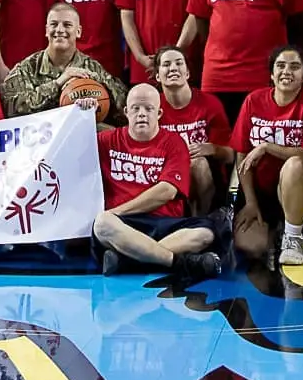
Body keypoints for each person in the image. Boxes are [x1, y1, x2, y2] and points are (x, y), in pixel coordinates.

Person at [92, 84, 225, 280]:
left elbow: (167, 192)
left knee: (206, 232)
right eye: (136, 108)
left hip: (164, 223)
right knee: (102, 223)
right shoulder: (105, 140)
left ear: (159, 113)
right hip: (123, 226)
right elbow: (70, 146)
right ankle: (178, 262)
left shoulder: (174, 142)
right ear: (126, 112)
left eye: (149, 108)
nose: (142, 114)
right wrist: (82, 112)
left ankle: (127, 261)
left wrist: (117, 211)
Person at [231, 47, 303, 264]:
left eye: (295, 67)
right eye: (280, 66)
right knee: (251, 249)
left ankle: (292, 235)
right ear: (272, 74)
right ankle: (275, 229)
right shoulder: (253, 100)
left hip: (299, 187)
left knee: (295, 165)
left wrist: (267, 146)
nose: (287, 71)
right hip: (259, 191)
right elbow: (242, 154)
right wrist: (251, 202)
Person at [1, 3, 127, 121]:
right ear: (46, 30)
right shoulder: (26, 68)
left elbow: (124, 108)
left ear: (78, 32)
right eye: (54, 24)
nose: (60, 30)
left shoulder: (92, 68)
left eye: (67, 25)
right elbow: (12, 109)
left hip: (83, 133)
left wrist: (97, 87)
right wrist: (58, 83)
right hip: (41, 136)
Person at [155, 46, 234, 215]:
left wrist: (212, 148)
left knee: (198, 163)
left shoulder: (209, 104)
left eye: (179, 63)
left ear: (188, 73)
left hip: (207, 179)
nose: (173, 68)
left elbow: (230, 155)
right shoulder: (152, 107)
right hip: (166, 176)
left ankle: (201, 220)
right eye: (166, 64)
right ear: (157, 75)